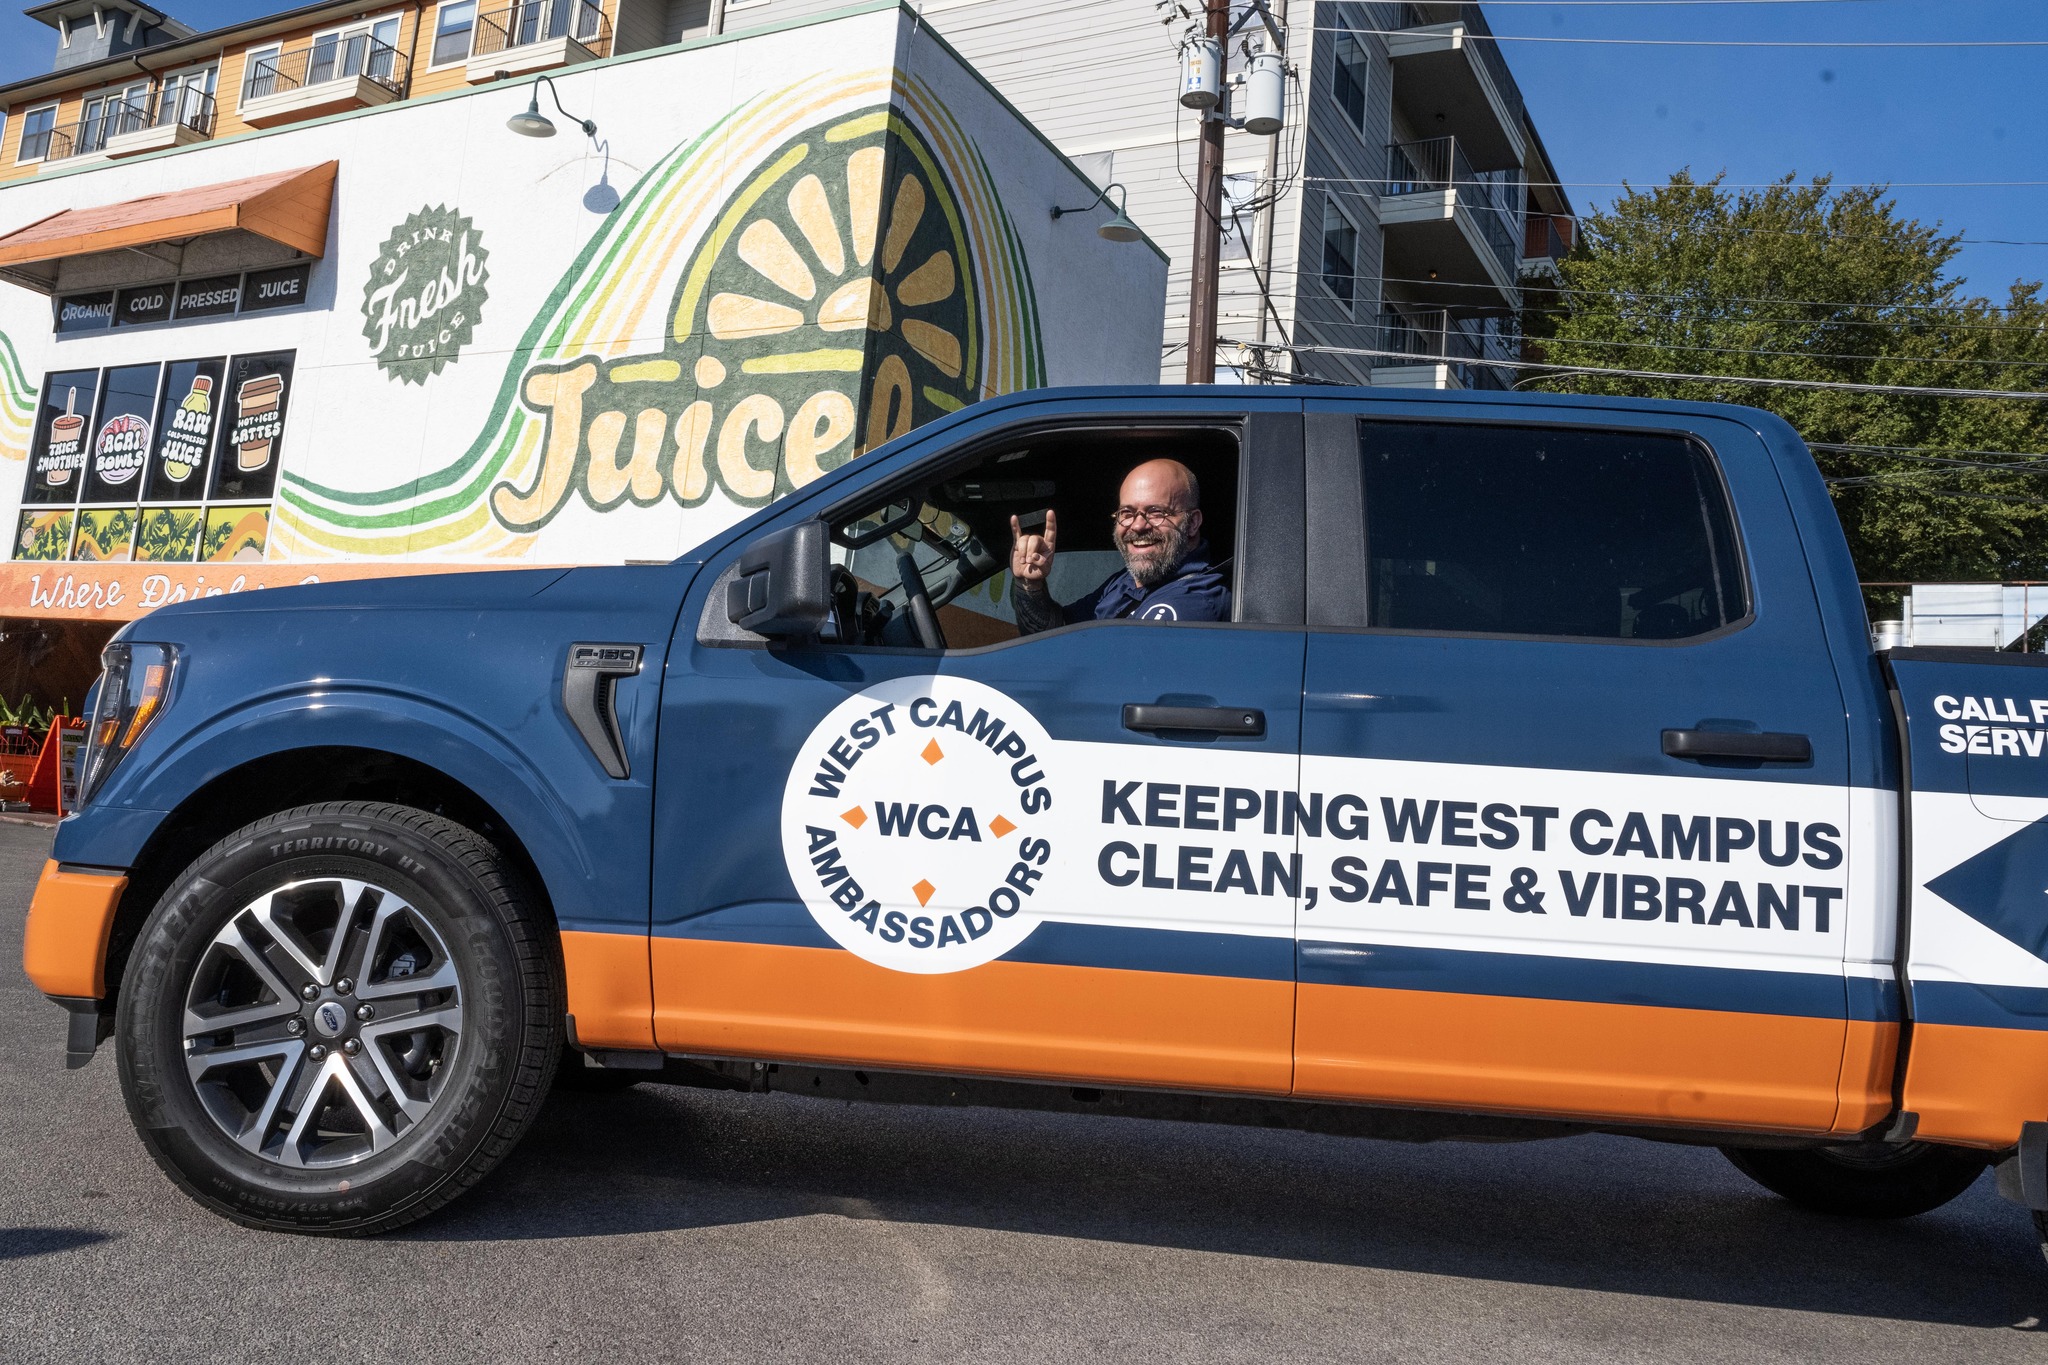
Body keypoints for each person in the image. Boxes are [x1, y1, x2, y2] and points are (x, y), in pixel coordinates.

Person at [1009, 458, 1230, 636]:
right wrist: (1030, 583)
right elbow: (1054, 634)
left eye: (1156, 512)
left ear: (1192, 523)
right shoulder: (1127, 582)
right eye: (1127, 513)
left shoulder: (1193, 601)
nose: (1138, 525)